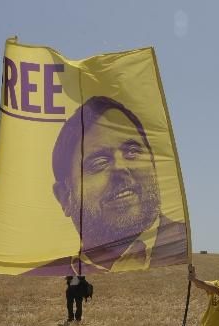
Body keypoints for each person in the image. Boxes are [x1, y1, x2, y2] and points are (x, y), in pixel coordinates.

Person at [29, 96, 188, 276]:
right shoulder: (38, 279)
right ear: (65, 196)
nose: (121, 167)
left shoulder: (188, 248)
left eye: (132, 151)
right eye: (99, 162)